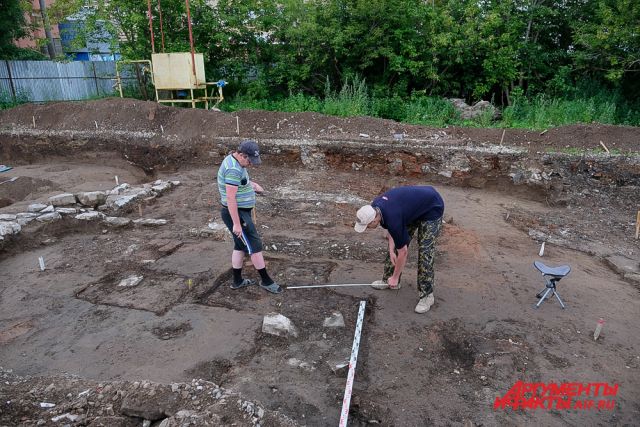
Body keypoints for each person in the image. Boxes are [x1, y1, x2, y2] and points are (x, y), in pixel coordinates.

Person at [354, 185, 444, 313]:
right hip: (411, 209)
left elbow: (404, 251)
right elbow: (393, 231)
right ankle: (388, 280)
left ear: (374, 220)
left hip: (431, 207)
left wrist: (396, 276)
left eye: (367, 226)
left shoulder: (392, 217)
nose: (367, 228)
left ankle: (427, 295)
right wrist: (391, 250)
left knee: (425, 252)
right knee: (396, 246)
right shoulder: (375, 207)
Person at [217, 140, 282, 294]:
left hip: (240, 212)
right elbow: (231, 198)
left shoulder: (235, 161)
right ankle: (266, 281)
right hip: (237, 214)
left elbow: (239, 183)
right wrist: (237, 224)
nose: (250, 164)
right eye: (249, 160)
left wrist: (251, 185)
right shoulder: (233, 169)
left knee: (240, 246)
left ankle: (237, 281)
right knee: (254, 247)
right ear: (241, 154)